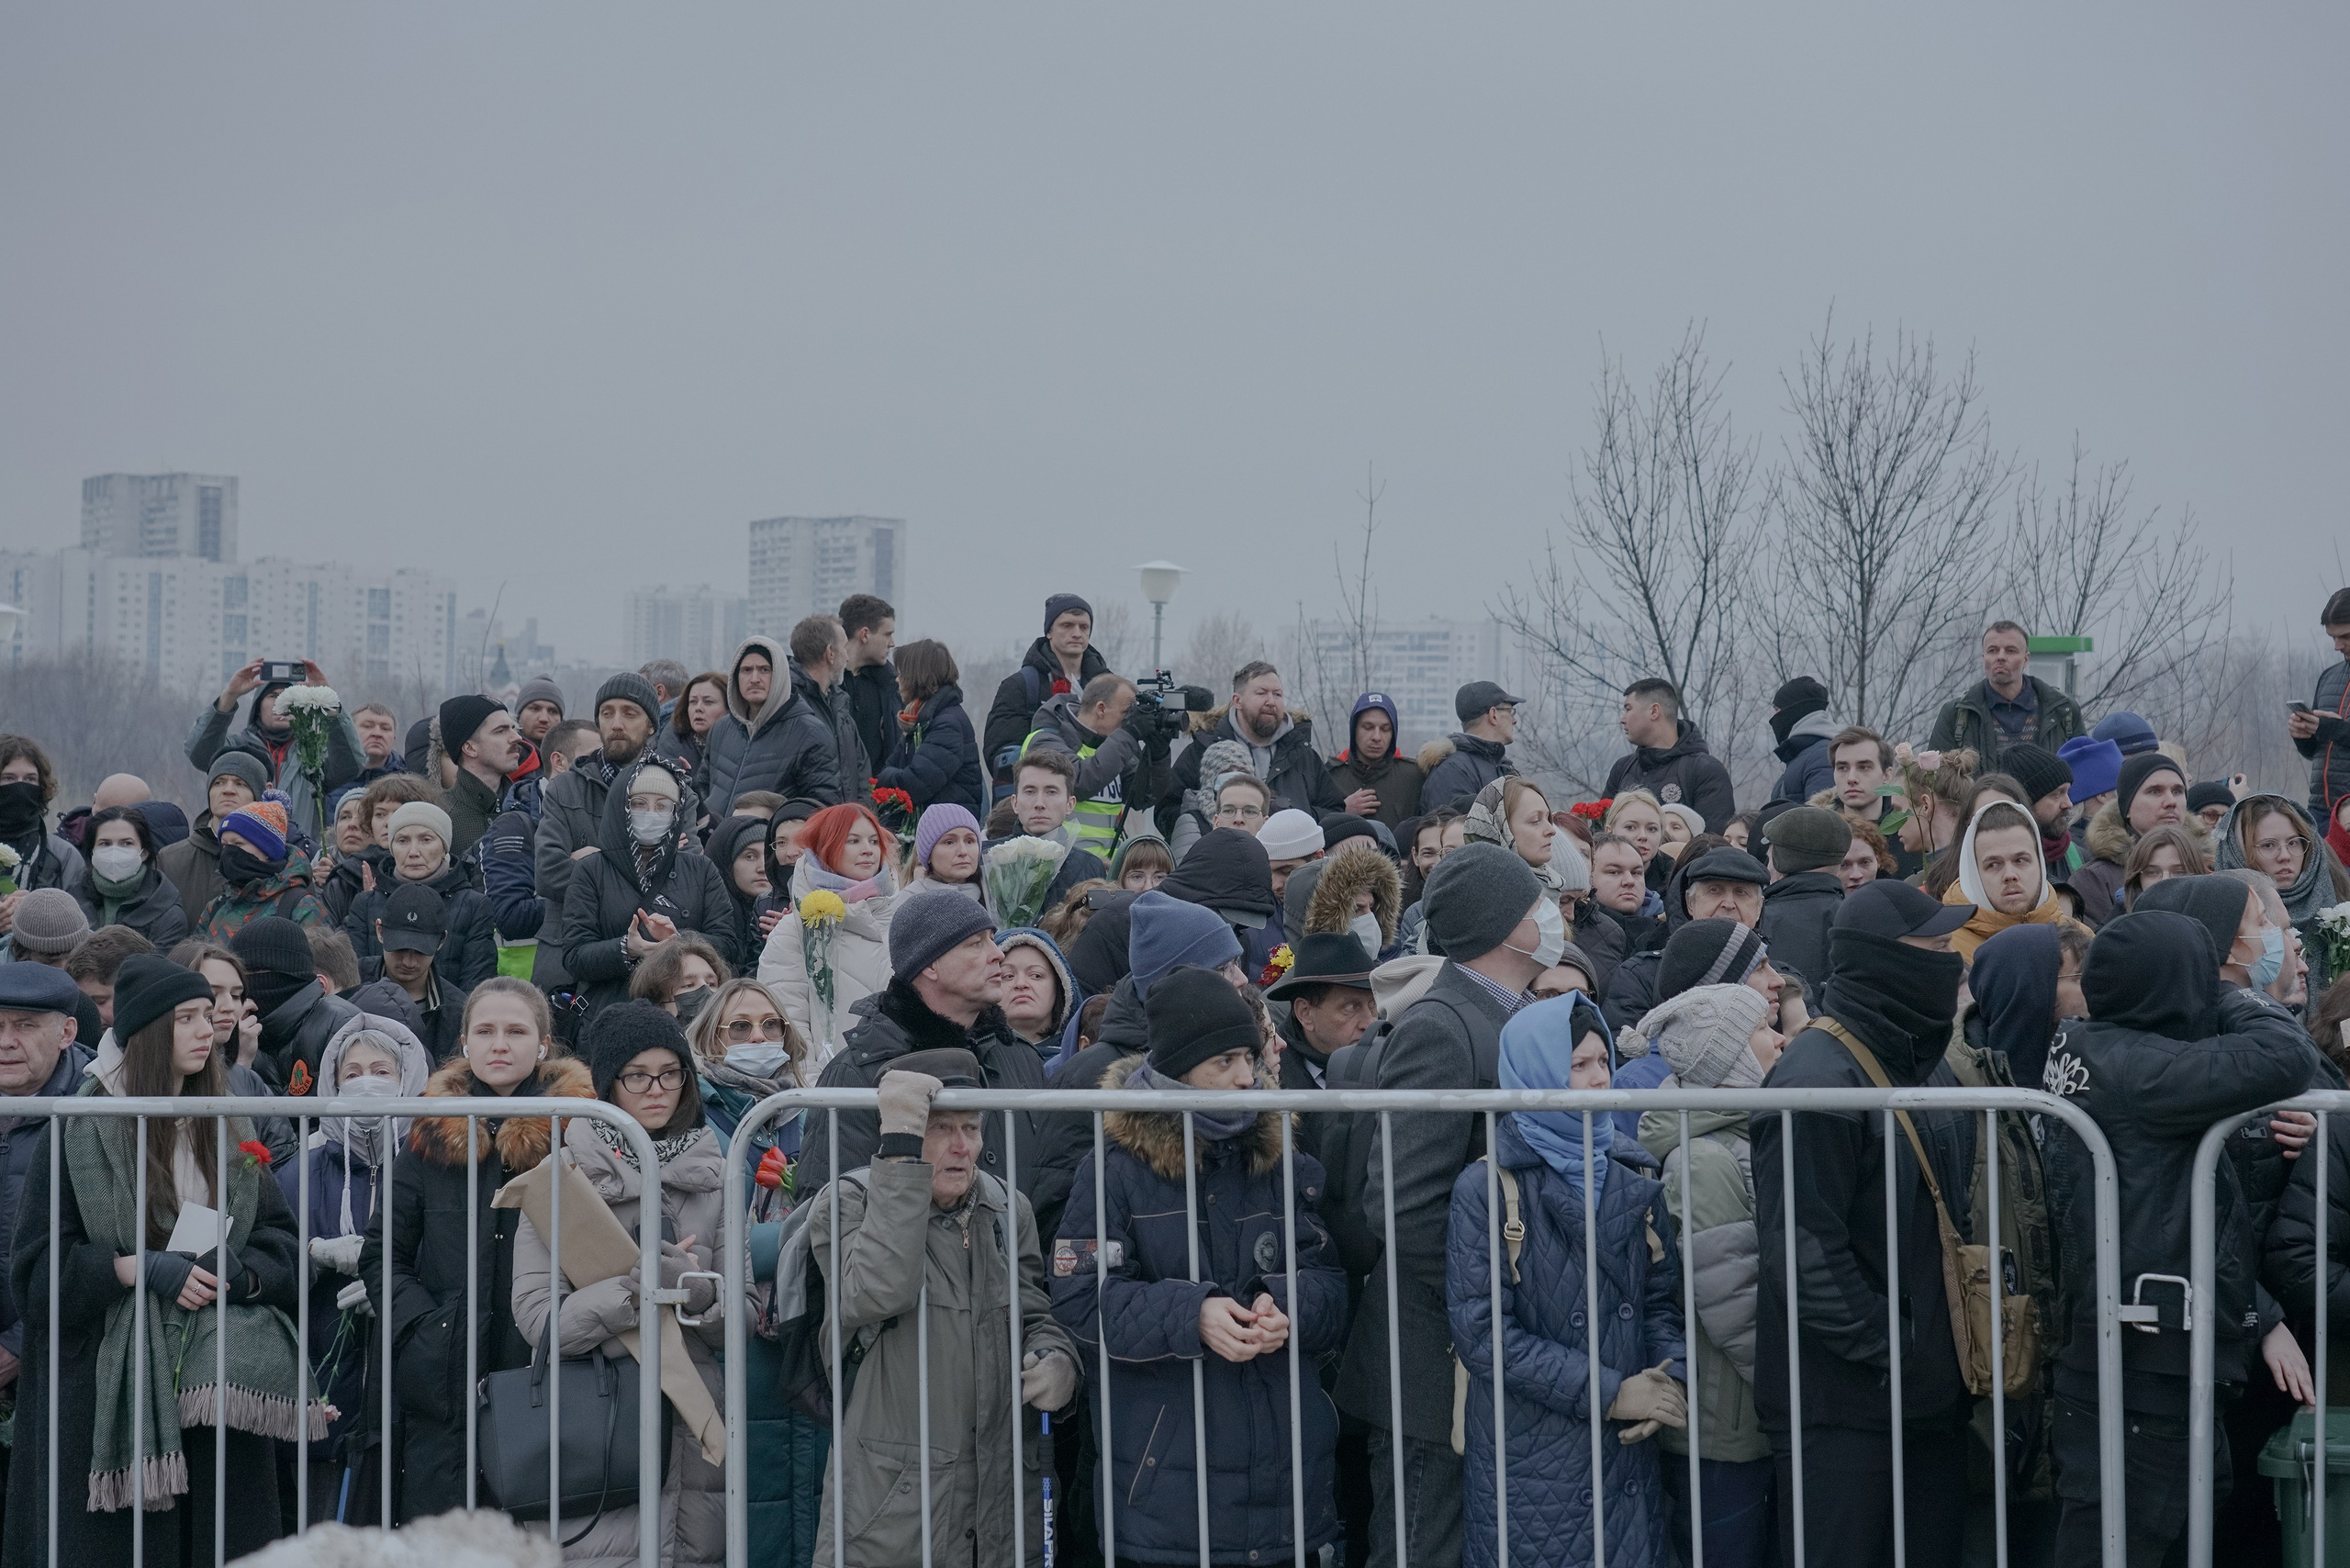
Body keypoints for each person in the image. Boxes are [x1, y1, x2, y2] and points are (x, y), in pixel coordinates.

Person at [6, 952, 316, 1564]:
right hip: (99, 1396)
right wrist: (134, 1269)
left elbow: (283, 1250)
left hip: (212, 1397)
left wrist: (240, 1270)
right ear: (148, 1032)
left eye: (210, 1014)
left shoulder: (226, 1125)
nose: (210, 1029)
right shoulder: (76, 1127)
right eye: (187, 1018)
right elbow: (39, 1275)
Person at [2039, 911, 2315, 1566]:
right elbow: (2287, 1055)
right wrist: (2226, 988)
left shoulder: (2088, 1044)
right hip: (2146, 1364)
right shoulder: (2141, 1071)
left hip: (2137, 1350)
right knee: (2131, 1541)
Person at [1052, 965, 1347, 1568]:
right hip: (1169, 1508)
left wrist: (1283, 1305)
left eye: (1248, 1057)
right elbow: (1079, 1299)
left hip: (1290, 1492)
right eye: (1224, 1063)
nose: (1248, 1077)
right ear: (1178, 1070)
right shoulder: (1112, 1170)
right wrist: (1194, 1315)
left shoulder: (1284, 1156)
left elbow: (1332, 1286)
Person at [1334, 843, 1552, 1568]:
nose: (1550, 918)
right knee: (1424, 1545)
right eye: (1535, 907)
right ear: (1504, 927)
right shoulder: (1440, 1024)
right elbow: (1405, 1204)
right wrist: (1489, 1304)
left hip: (1473, 1356)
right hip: (1433, 1367)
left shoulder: (1508, 1015)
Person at [1753, 879, 1978, 1568]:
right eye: (1936, 947)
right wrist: (1897, 1351)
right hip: (1845, 1413)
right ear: (1885, 959)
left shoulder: (1929, 1064)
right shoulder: (1814, 1077)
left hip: (1928, 1405)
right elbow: (1802, 1249)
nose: (1954, 962)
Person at [807, 1052, 1080, 1568]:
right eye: (938, 1129)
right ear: (902, 1133)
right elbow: (876, 1292)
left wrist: (1055, 1356)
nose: (961, 1147)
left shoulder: (1007, 1207)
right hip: (896, 1509)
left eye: (971, 1128)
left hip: (999, 1501)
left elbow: (1031, 1313)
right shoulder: (848, 1202)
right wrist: (901, 1161)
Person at [1450, 991, 1688, 1568]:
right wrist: (1610, 1394)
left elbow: (1661, 1301)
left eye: (1602, 1061)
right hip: (1533, 1455)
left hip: (1627, 1449)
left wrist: (1667, 1378)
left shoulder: (1634, 1169)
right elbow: (1483, 1335)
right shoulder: (1487, 1187)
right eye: (1577, 1066)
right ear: (1534, 1071)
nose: (1597, 1080)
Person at [360, 978, 595, 1522]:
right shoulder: (429, 1136)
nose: (500, 1044)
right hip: (443, 1377)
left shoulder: (583, 1130)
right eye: (485, 1031)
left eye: (516, 1031)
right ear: (464, 1042)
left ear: (543, 1044)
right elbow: (382, 1254)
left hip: (540, 1361)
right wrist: (427, 1326)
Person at [507, 1002, 729, 1567]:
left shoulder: (716, 1177)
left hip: (692, 1438)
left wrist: (693, 1289)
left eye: (670, 1072)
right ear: (609, 1084)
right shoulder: (560, 1181)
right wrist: (634, 1293)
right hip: (597, 1429)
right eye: (637, 1075)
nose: (657, 1089)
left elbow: (745, 1314)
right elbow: (539, 1322)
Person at [795, 886, 1076, 1238]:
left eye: (992, 940)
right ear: (928, 965)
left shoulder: (1020, 1057)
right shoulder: (856, 1071)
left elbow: (1050, 1191)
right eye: (976, 944)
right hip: (907, 1289)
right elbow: (830, 1219)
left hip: (1012, 1287)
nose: (997, 955)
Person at [1636, 982, 1786, 1568]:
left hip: (1744, 1413)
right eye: (1760, 1031)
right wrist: (1788, 1393)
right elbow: (1731, 1301)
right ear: (1726, 1059)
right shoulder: (1703, 1158)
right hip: (1728, 1423)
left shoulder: (1738, 1134)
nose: (1778, 1039)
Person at [275, 1013, 432, 1525]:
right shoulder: (303, 1167)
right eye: (353, 1071)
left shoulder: (432, 1160)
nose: (367, 1081)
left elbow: (452, 1255)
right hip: (326, 1383)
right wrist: (316, 1259)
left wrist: (393, 1278)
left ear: (409, 1076)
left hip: (413, 1395)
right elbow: (270, 1264)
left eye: (383, 1071)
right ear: (332, 1081)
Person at [563, 757, 742, 1017]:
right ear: (620, 807)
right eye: (638, 804)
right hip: (612, 1011)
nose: (650, 813)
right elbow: (575, 957)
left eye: (662, 806)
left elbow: (729, 944)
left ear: (676, 812)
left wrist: (676, 941)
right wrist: (627, 948)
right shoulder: (591, 870)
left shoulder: (701, 869)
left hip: (690, 1012)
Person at [0, 962, 94, 1429]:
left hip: (64, 1361)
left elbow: (98, 1243)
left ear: (66, 1032)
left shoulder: (101, 1111)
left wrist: (17, 1344)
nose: (5, 1041)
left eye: (24, 1025)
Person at [757, 801, 902, 1053]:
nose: (868, 850)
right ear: (826, 849)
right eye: (853, 841)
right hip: (831, 1086)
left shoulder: (905, 917)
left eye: (874, 841)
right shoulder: (793, 930)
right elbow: (787, 1024)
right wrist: (815, 1088)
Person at [185, 656, 364, 840]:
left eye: (291, 696)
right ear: (258, 706)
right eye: (273, 696)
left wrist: (328, 700)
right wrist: (229, 696)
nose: (283, 703)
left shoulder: (315, 754)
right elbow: (200, 754)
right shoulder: (237, 750)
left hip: (301, 860)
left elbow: (350, 764)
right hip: (240, 853)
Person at [1164, 662, 1345, 827]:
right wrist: (1209, 824)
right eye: (1261, 693)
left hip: (1291, 861)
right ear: (1237, 701)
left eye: (1277, 694)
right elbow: (1166, 810)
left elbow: (1334, 810)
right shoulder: (1204, 749)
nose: (1271, 701)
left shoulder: (1303, 753)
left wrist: (1297, 818)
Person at [341, 799, 496, 989]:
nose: (413, 852)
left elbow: (476, 986)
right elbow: (355, 981)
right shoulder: (365, 904)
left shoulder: (474, 906)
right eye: (402, 841)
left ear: (444, 847)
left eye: (426, 840)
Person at [2215, 791, 2350, 994]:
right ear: (2238, 852)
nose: (2285, 856)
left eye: (2293, 843)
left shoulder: (2338, 905)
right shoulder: (2220, 919)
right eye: (2269, 845)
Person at [700, 633, 845, 819]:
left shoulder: (810, 733)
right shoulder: (722, 729)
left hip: (770, 844)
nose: (754, 678)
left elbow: (821, 808)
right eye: (746, 670)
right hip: (718, 842)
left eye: (764, 670)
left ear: (780, 674)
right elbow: (704, 784)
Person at [987, 594, 1109, 788]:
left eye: (1084, 627)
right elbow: (1000, 754)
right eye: (1067, 625)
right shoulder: (1021, 685)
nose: (1077, 633)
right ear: (1049, 632)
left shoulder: (1107, 689)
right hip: (1037, 805)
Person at [2067, 751, 2198, 931]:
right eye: (2155, 791)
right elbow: (2090, 952)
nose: (2171, 802)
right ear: (2127, 808)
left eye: (2177, 791)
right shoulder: (2094, 879)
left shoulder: (2208, 865)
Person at [231, 914, 360, 1094]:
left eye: (249, 973)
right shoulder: (236, 1030)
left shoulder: (340, 1024)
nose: (244, 986)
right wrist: (240, 1063)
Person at [1926, 621, 2087, 763]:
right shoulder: (1957, 714)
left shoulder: (2063, 711)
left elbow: (2083, 771)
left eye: (2011, 651)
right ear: (1984, 658)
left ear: (2026, 659)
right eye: (1993, 650)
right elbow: (1937, 781)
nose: (2001, 657)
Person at [986, 749, 1113, 918]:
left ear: (1070, 804)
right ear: (1015, 803)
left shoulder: (1090, 866)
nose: (1039, 803)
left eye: (1051, 792)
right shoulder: (987, 858)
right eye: (1030, 791)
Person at [352, 882, 474, 1058]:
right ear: (380, 931)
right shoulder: (352, 985)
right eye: (399, 948)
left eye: (420, 951)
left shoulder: (458, 1011)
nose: (408, 962)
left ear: (441, 941)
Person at [1606, 678, 1736, 833]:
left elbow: (1713, 843)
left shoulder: (1706, 771)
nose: (1623, 719)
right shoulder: (1622, 768)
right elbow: (1601, 832)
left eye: (1628, 709)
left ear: (1654, 711)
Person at [194, 799, 331, 941]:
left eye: (238, 843)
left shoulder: (303, 908)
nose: (229, 852)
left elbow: (320, 961)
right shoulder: (216, 906)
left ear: (267, 850)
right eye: (224, 844)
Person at [876, 638, 986, 815]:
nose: (897, 679)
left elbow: (913, 785)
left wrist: (887, 778)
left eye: (902, 673)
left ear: (917, 676)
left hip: (948, 829)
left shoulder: (947, 724)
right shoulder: (922, 720)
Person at [1944, 800, 2063, 961]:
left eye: (2020, 860)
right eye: (1993, 865)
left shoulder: (2079, 939)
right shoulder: (1948, 951)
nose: (2010, 875)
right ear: (1973, 875)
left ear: (2040, 863)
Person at [1754, 806, 1850, 1003]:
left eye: (1770, 854)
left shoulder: (1757, 919)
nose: (1767, 865)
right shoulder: (1858, 918)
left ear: (1782, 860)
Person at [157, 751, 267, 921]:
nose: (228, 790)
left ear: (258, 794)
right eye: (218, 782)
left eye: (240, 783)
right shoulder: (170, 860)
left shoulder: (278, 857)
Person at [0, 738, 90, 940]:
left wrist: (36, 913)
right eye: (9, 778)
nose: (20, 787)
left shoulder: (63, 855)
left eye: (30, 779)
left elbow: (84, 926)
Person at [68, 802, 188, 949]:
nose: (114, 852)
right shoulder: (71, 901)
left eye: (126, 843)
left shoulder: (166, 911)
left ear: (144, 852)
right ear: (92, 852)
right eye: (105, 844)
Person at [435, 694, 523, 860]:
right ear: (469, 748)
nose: (516, 737)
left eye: (513, 728)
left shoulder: (527, 807)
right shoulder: (440, 817)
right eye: (501, 731)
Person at [2289, 588, 2350, 826]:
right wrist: (2303, 735)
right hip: (2319, 811)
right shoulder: (2328, 677)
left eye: (2345, 636)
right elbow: (2314, 753)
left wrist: (2332, 728)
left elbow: (2335, 731)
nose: (2337, 646)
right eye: (2333, 637)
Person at [1418, 680, 1521, 814]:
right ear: (1493, 715)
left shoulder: (1501, 766)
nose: (1514, 720)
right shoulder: (1452, 770)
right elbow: (1450, 829)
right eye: (1510, 711)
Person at [1330, 691, 1425, 827]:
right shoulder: (1331, 776)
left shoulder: (1413, 776)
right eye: (1368, 728)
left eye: (1385, 729)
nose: (1377, 737)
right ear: (1354, 729)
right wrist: (1342, 810)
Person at [838, 592, 901, 786]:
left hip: (879, 802)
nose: (892, 643)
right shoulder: (826, 686)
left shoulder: (892, 686)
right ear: (864, 634)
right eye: (887, 634)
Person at [2000, 742, 2082, 882]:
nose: (2068, 804)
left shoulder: (2077, 857)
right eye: (2057, 794)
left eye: (2067, 792)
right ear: (2026, 801)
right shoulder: (1995, 865)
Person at [999, 926, 1077, 1057]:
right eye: (1008, 976)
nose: (1021, 984)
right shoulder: (972, 1061)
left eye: (1036, 975)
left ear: (1061, 986)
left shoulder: (1079, 1063)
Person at [1769, 676, 1839, 803]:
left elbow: (1822, 819)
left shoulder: (1823, 756)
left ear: (1792, 712)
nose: (1772, 717)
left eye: (1776, 709)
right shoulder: (1803, 754)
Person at [658, 669, 730, 793]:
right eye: (693, 702)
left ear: (730, 707)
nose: (698, 708)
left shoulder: (741, 743)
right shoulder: (672, 743)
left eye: (708, 702)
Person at [2121, 823, 2208, 911]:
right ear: (2137, 880)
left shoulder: (2216, 921)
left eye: (2179, 872)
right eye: (2152, 872)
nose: (2165, 880)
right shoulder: (2120, 923)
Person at [349, 700, 405, 788]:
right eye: (368, 726)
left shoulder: (409, 784)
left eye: (385, 729)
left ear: (394, 739)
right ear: (350, 733)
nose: (377, 733)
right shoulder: (326, 778)